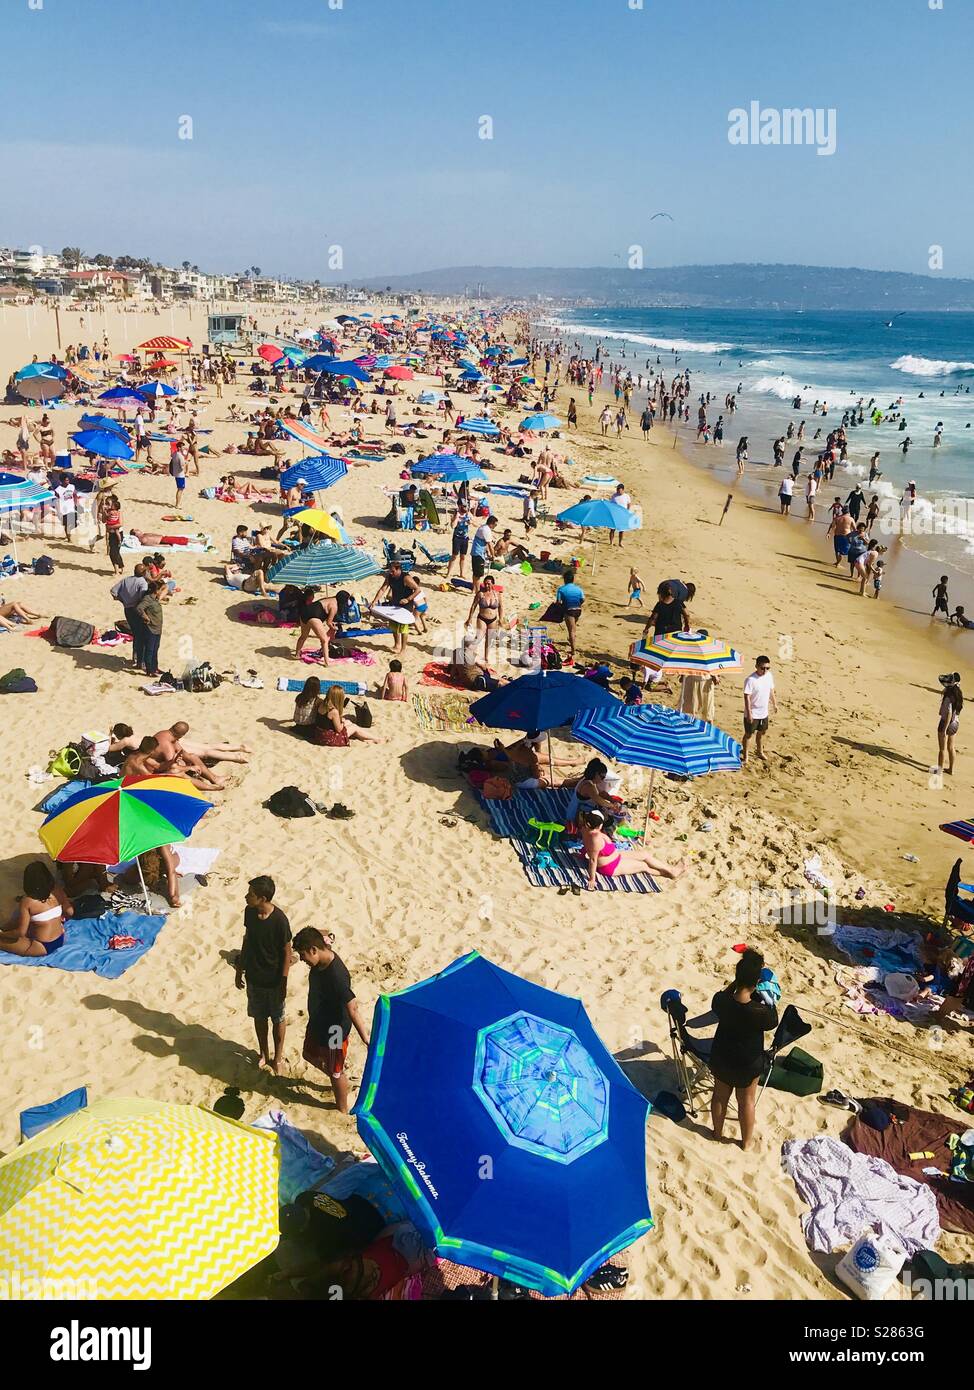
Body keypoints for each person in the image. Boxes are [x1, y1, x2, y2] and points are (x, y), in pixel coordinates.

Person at [292, 927, 371, 1113]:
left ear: (314, 950)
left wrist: (366, 1039)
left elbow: (353, 1007)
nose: (302, 959)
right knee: (308, 1055)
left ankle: (342, 1109)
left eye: (303, 955)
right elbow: (323, 935)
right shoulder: (321, 953)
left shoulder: (336, 976)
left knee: (335, 1072)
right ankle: (339, 1078)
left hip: (335, 1030)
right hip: (318, 1022)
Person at [709, 948, 778, 1152]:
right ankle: (746, 1143)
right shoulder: (760, 1012)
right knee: (746, 1102)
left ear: (737, 977)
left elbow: (722, 997)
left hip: (722, 1057)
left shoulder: (721, 1001)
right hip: (748, 1063)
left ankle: (717, 1133)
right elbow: (773, 1019)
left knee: (720, 1096)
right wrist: (765, 994)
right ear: (756, 983)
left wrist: (736, 984)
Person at [235, 875, 292, 1075]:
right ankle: (263, 1053)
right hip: (254, 977)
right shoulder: (250, 912)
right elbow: (247, 939)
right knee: (259, 1017)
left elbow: (287, 952)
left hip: (274, 980)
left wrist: (283, 981)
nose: (246, 897)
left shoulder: (280, 921)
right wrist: (240, 968)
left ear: (263, 898)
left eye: (250, 894)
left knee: (278, 1018)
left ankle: (278, 1057)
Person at [579, 809, 687, 888]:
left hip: (616, 855)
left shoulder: (584, 829)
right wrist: (592, 879)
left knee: (644, 854)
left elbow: (586, 846)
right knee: (644, 866)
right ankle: (670, 873)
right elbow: (593, 860)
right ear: (599, 826)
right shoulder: (595, 840)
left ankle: (671, 870)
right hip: (610, 866)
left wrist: (582, 854)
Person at [0, 862, 73, 957]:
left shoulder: (27, 902)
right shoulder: (57, 891)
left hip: (41, 946)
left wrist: (2, 935)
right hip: (60, 938)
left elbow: (21, 932)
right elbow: (70, 912)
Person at [152, 722, 226, 789]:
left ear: (172, 726)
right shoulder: (169, 747)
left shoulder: (164, 733)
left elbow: (183, 752)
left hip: (161, 763)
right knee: (178, 770)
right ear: (182, 735)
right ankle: (209, 787)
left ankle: (215, 779)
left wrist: (184, 758)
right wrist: (189, 767)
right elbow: (172, 766)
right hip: (155, 770)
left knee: (192, 756)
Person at [313, 685, 381, 746]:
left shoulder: (322, 703)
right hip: (328, 738)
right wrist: (342, 722)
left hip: (319, 734)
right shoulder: (334, 711)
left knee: (348, 722)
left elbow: (327, 722)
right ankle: (375, 739)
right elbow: (339, 729)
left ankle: (365, 738)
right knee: (354, 727)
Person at [742, 655, 776, 764]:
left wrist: (775, 704)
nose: (765, 671)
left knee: (761, 732)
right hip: (753, 713)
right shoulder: (750, 680)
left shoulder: (769, 676)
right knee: (748, 735)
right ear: (756, 666)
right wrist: (749, 713)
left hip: (763, 713)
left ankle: (759, 751)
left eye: (767, 668)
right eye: (762, 668)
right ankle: (745, 756)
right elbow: (746, 697)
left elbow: (771, 691)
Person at [466, 574, 503, 662]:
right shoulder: (480, 594)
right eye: (485, 583)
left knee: (489, 639)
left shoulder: (497, 595)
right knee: (479, 637)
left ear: (493, 584)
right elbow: (473, 606)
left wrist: (501, 619)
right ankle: (470, 653)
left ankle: (486, 657)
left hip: (493, 620)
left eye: (489, 584)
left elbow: (501, 607)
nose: (486, 585)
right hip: (482, 618)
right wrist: (469, 618)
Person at [136, 578, 166, 678]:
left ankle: (155, 667)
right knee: (150, 650)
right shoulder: (148, 599)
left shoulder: (155, 599)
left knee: (155, 649)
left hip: (157, 628)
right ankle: (149, 670)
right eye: (160, 590)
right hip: (150, 629)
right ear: (156, 591)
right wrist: (145, 617)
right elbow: (139, 608)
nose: (161, 592)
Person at [556, 568, 584, 663]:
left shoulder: (561, 589)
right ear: (573, 579)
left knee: (571, 630)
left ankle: (573, 650)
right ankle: (571, 640)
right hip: (578, 610)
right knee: (573, 627)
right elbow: (582, 599)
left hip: (569, 610)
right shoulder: (579, 589)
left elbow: (558, 602)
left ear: (565, 579)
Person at [937, 674, 962, 776]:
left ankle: (939, 770)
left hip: (946, 722)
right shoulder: (958, 693)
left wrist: (944, 729)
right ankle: (951, 769)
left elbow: (949, 713)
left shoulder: (949, 696)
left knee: (942, 749)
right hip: (955, 723)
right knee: (951, 747)